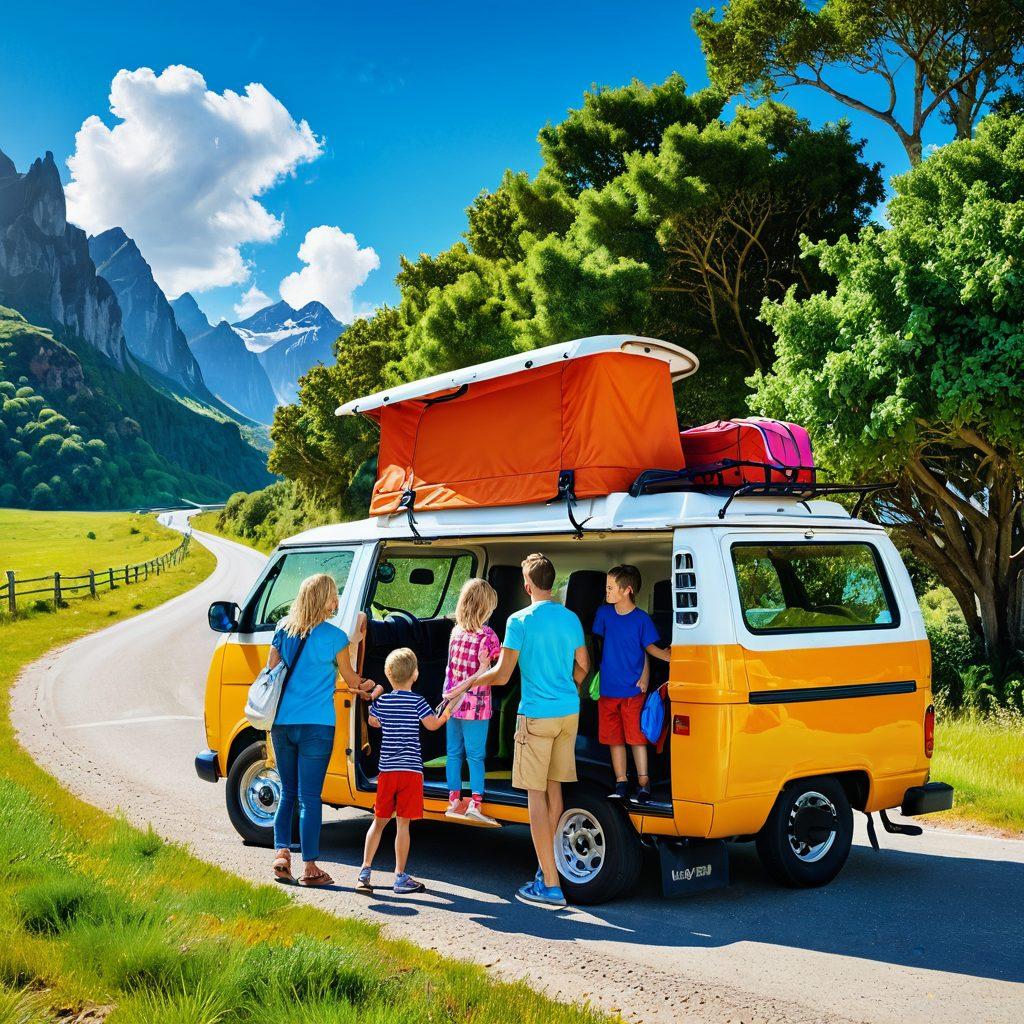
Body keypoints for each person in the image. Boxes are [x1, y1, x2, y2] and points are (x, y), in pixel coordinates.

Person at [474, 553, 589, 909]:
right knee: (555, 791)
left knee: (535, 797)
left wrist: (470, 682)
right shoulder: (571, 618)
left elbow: (503, 675)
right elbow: (584, 665)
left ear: (526, 586)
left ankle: (550, 885)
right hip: (569, 713)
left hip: (536, 716)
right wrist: (569, 688)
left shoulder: (518, 620)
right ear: (552, 583)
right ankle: (546, 869)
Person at [266, 575, 381, 888]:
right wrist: (370, 686)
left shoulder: (281, 629)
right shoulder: (334, 637)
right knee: (310, 797)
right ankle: (311, 867)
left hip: (282, 724)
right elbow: (352, 679)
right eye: (333, 597)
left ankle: (281, 854)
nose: (337, 602)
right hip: (317, 726)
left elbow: (271, 673)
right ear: (322, 599)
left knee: (287, 792)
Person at [357, 648, 451, 894]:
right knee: (403, 825)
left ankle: (365, 871)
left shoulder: (384, 702)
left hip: (387, 771)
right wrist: (447, 713)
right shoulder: (418, 701)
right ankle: (399, 877)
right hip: (410, 772)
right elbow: (432, 725)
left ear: (388, 675)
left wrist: (375, 696)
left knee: (378, 823)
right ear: (415, 674)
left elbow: (372, 722)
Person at [593, 564, 670, 804]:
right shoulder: (604, 614)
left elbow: (647, 648)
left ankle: (644, 783)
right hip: (608, 690)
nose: (606, 591)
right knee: (614, 739)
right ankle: (621, 782)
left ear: (626, 590)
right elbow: (602, 646)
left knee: (636, 738)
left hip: (633, 691)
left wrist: (671, 658)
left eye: (610, 587)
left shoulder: (641, 619)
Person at [441, 578, 502, 826]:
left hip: (452, 704)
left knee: (453, 753)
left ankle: (454, 799)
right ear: (485, 608)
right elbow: (499, 667)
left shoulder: (455, 632)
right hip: (476, 707)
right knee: (476, 756)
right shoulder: (488, 636)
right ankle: (476, 801)